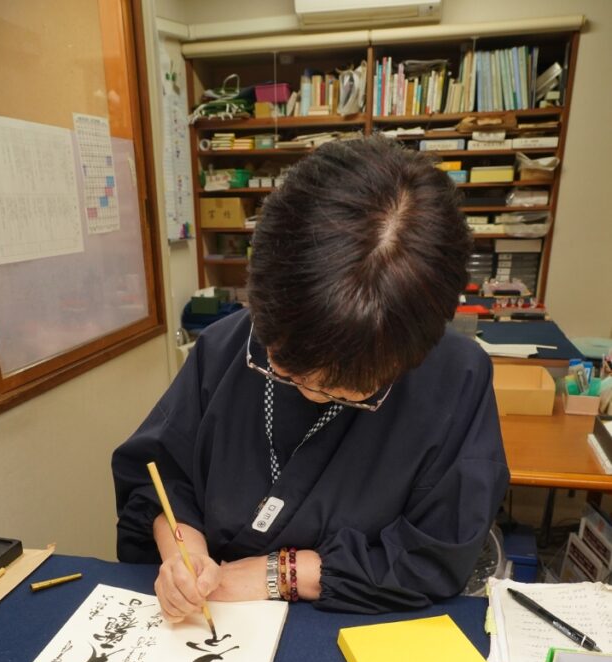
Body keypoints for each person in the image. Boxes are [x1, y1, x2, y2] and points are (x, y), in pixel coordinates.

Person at [112, 135, 509, 619]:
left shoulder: (455, 381)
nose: (313, 395)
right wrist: (183, 553)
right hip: (213, 620)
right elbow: (160, 478)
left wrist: (278, 573)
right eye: (286, 369)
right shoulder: (227, 346)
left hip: (356, 630)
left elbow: (438, 553)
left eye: (351, 390)